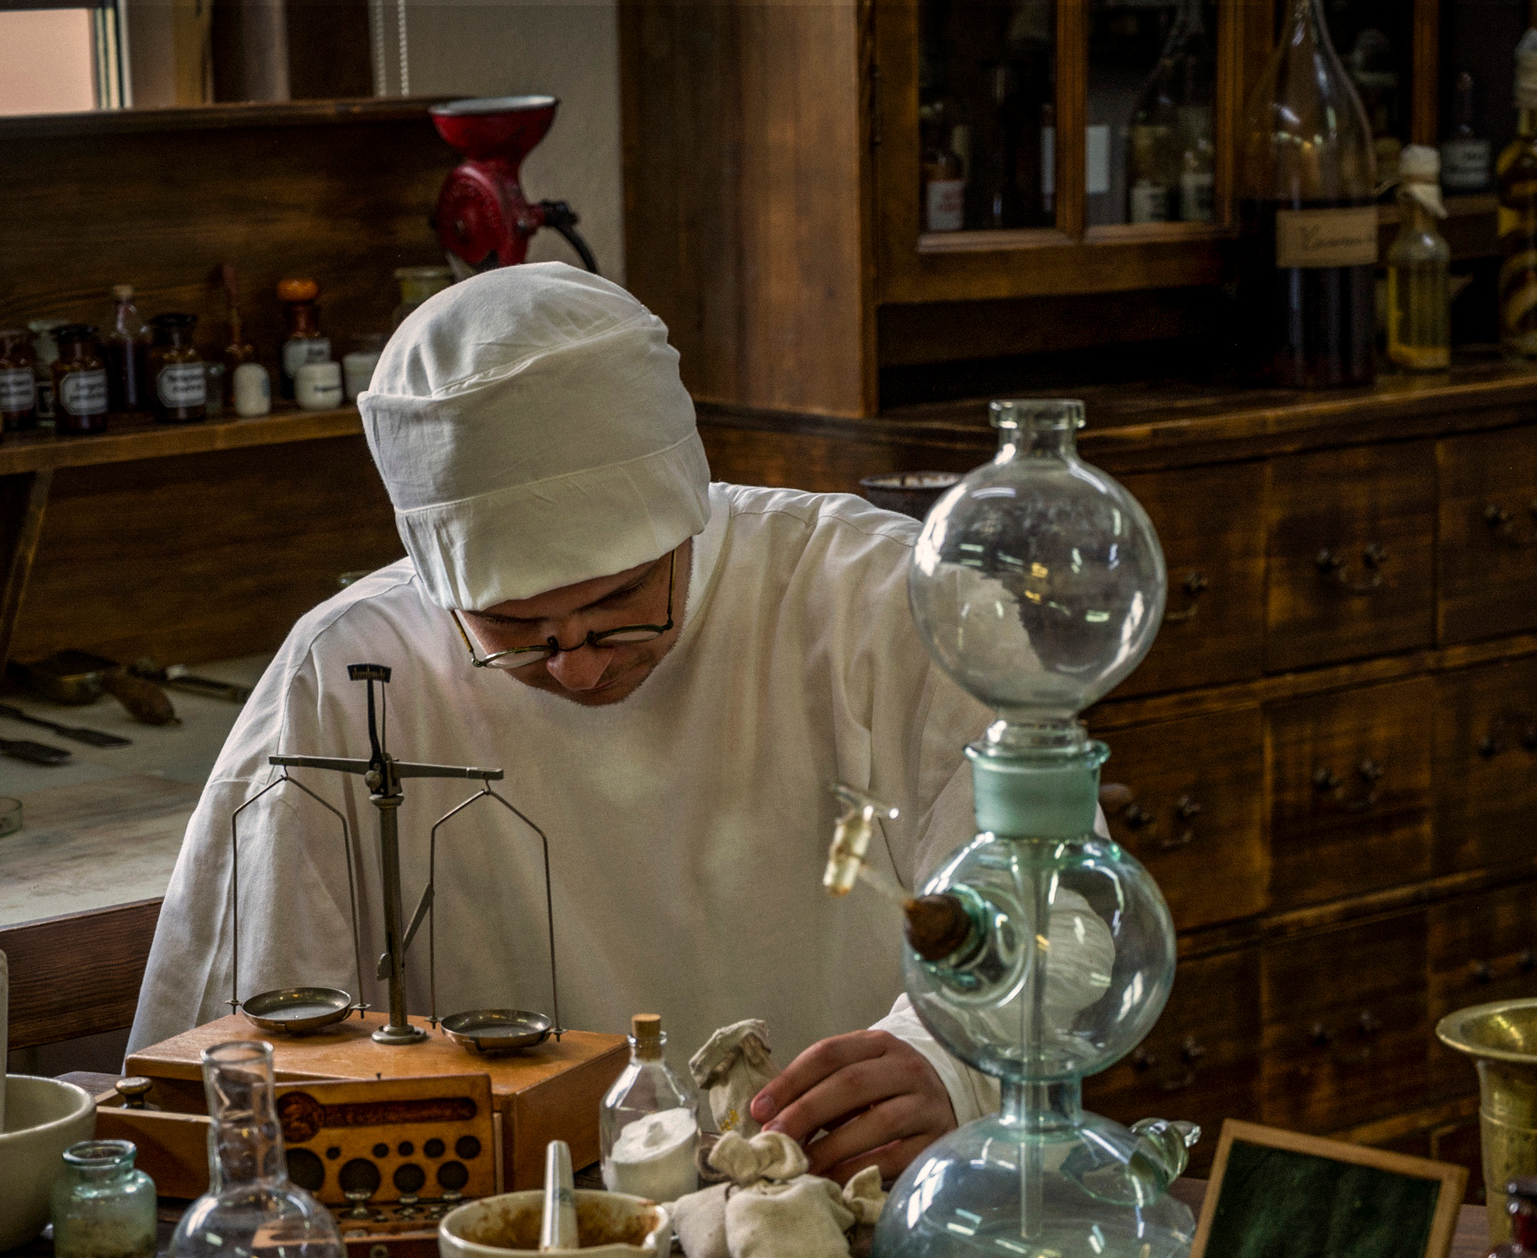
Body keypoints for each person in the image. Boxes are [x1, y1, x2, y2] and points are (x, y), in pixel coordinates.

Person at [132, 266, 993, 1182]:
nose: (576, 662)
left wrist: (954, 1061)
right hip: (524, 1217)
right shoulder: (350, 673)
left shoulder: (879, 600)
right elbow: (230, 1042)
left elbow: (1052, 912)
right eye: (510, 628)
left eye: (621, 602)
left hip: (854, 1186)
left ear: (685, 514)